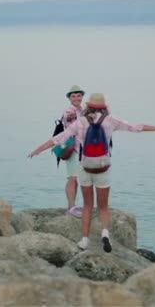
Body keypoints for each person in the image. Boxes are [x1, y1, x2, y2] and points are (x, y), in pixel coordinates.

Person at [28, 93, 155, 252]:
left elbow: (58, 139)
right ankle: (105, 234)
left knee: (87, 205)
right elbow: (136, 127)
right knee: (103, 207)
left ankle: (84, 240)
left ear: (88, 106)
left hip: (85, 167)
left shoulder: (81, 122)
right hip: (103, 168)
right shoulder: (111, 121)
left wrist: (37, 150)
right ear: (104, 106)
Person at [61, 85, 85, 218]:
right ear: (69, 98)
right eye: (73, 96)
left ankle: (72, 206)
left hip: (82, 149)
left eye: (78, 95)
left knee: (77, 178)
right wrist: (73, 116)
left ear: (81, 97)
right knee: (72, 178)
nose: (76, 98)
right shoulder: (69, 110)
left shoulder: (82, 110)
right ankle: (71, 207)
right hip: (72, 149)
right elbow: (67, 118)